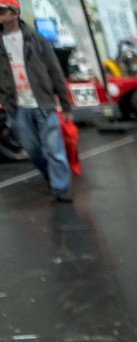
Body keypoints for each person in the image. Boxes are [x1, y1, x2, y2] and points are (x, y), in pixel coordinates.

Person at [0, 0, 73, 201]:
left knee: (54, 149)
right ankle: (52, 177)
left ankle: (61, 188)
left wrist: (65, 105)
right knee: (32, 150)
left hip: (43, 103)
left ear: (15, 14)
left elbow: (55, 71)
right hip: (17, 106)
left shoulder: (35, 39)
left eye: (3, 10)